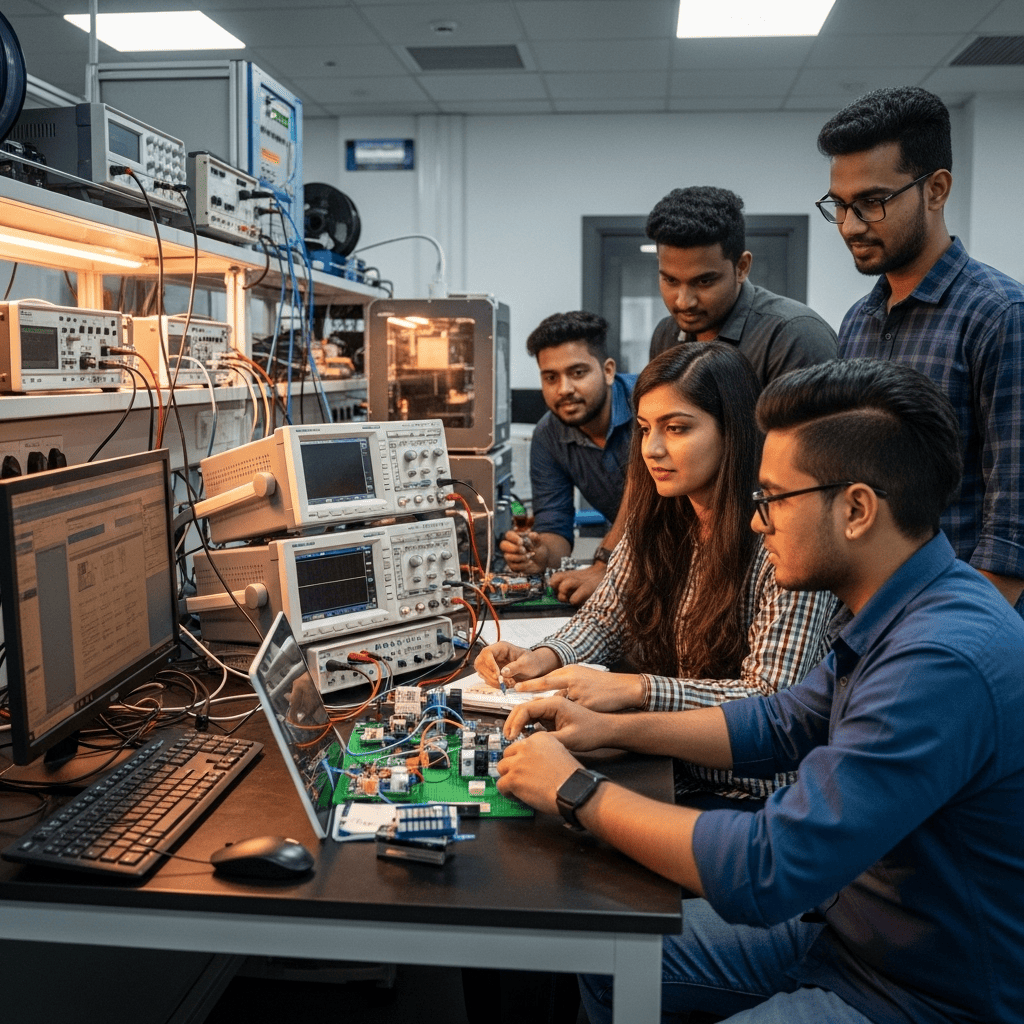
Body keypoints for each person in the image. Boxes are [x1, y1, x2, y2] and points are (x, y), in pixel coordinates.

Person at [497, 358, 1024, 1024]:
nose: (756, 522)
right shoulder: (906, 601)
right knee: (607, 964)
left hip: (924, 995)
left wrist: (576, 792)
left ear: (857, 508)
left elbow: (766, 868)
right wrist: (612, 727)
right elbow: (783, 721)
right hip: (848, 935)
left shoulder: (941, 661)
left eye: (772, 499)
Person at [480, 342, 835, 809]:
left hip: (755, 792)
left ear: (734, 431)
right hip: (669, 763)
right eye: (646, 429)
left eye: (677, 428)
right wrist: (545, 655)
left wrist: (636, 688)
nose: (654, 449)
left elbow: (768, 698)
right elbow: (605, 617)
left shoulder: (784, 540)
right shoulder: (661, 517)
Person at [817, 85, 1024, 612]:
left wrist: (965, 632)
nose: (850, 226)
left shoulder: (999, 315)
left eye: (871, 202)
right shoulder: (859, 322)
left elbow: (1014, 517)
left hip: (956, 621)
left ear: (935, 189)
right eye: (839, 206)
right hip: (871, 612)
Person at [500, 310, 635, 603]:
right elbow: (555, 529)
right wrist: (539, 553)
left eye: (578, 373)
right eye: (551, 377)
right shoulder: (548, 436)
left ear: (608, 371)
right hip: (635, 561)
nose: (564, 389)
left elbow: (649, 497)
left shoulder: (648, 404)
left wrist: (605, 564)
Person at [646, 185, 838, 382]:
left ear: (742, 267)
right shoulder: (666, 334)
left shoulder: (794, 338)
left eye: (704, 281)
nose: (684, 302)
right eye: (670, 280)